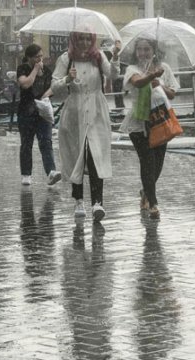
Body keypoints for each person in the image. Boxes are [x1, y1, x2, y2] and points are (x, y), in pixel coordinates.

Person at [51, 31, 120, 221]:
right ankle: (78, 200)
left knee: (96, 154)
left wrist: (115, 56)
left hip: (96, 109)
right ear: (74, 39)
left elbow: (113, 74)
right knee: (76, 154)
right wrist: (67, 79)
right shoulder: (66, 59)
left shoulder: (98, 57)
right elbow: (54, 85)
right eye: (80, 38)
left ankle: (98, 201)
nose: (84, 42)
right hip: (75, 110)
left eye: (88, 38)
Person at [120, 37, 178, 219]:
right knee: (147, 162)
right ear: (135, 52)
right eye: (140, 50)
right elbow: (137, 82)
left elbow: (173, 93)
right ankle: (153, 203)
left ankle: (145, 192)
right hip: (139, 123)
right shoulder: (132, 69)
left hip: (160, 120)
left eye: (147, 49)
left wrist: (159, 82)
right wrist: (152, 76)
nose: (143, 53)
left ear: (154, 50)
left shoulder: (164, 68)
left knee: (158, 163)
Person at [16, 44, 61, 186]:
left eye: (41, 56)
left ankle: (51, 172)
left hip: (43, 112)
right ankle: (26, 174)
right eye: (37, 57)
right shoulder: (23, 68)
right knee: (26, 143)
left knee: (46, 142)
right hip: (26, 111)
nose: (40, 59)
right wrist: (35, 70)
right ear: (29, 57)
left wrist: (44, 97)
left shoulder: (47, 71)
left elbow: (52, 88)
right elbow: (25, 84)